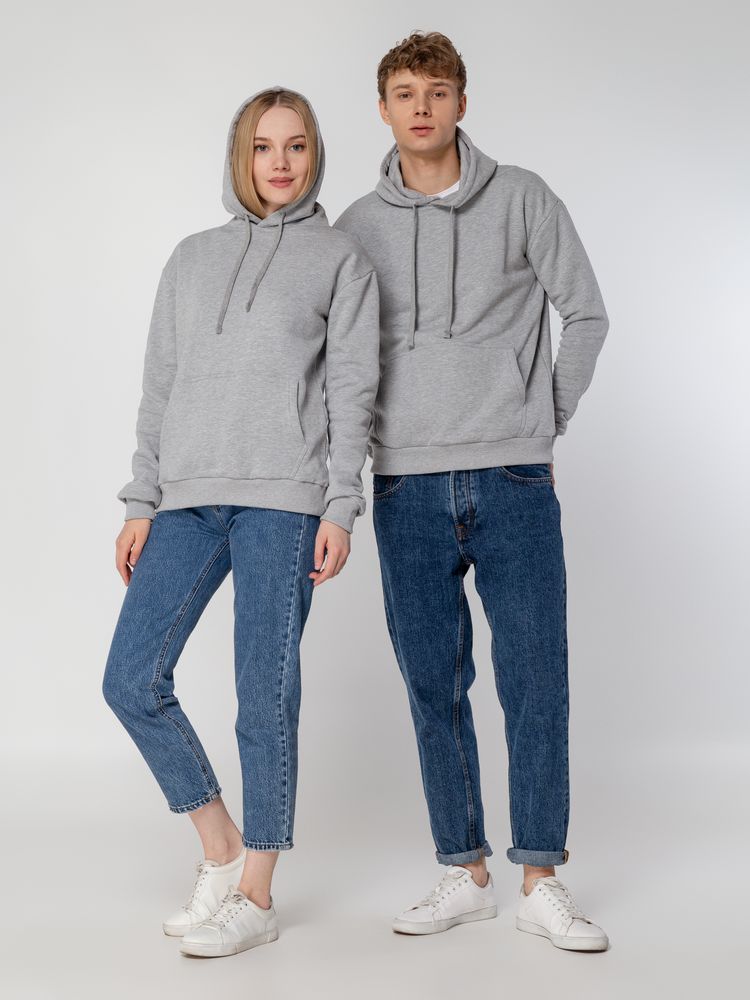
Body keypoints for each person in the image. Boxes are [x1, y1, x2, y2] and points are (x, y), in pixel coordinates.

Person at [334, 32, 611, 951]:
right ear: (383, 108)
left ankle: (541, 878)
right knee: (432, 683)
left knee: (536, 677)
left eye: (438, 91)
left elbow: (587, 313)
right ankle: (464, 870)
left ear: (461, 102)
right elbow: (338, 362)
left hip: (514, 475)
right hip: (405, 485)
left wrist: (543, 417)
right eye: (404, 92)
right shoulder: (355, 228)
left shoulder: (523, 197)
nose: (421, 107)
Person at [103, 85, 379, 959]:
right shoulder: (191, 258)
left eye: (296, 146)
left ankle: (257, 894)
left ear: (314, 155)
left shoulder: (340, 259)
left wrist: (341, 504)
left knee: (264, 694)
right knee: (130, 678)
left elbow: (352, 392)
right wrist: (142, 499)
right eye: (264, 147)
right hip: (187, 497)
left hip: (285, 501)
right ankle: (220, 847)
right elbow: (159, 385)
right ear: (241, 156)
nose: (280, 163)